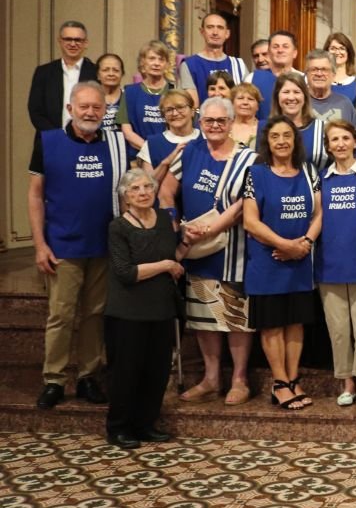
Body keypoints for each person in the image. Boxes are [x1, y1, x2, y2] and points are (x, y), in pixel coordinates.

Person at [29, 81, 123, 409]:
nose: (90, 112)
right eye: (84, 106)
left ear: (105, 111)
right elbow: (35, 195)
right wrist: (39, 245)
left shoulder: (116, 143)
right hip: (62, 247)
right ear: (70, 109)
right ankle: (54, 380)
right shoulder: (47, 140)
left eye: (97, 107)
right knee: (61, 315)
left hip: (103, 245)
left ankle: (88, 377)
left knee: (95, 314)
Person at [158, 96, 257, 407]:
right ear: (200, 123)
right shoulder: (190, 152)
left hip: (234, 248)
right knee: (203, 316)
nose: (215, 126)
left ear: (231, 123)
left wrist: (212, 229)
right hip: (196, 249)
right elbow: (165, 191)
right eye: (209, 121)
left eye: (221, 121)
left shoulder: (249, 158)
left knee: (235, 315)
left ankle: (239, 379)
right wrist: (176, 225)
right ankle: (211, 379)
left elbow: (245, 203)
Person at [242, 116, 322, 411]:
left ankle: (293, 378)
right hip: (268, 261)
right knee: (273, 324)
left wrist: (305, 244)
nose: (281, 141)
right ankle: (279, 383)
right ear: (267, 140)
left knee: (295, 322)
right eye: (275, 136)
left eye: (287, 135)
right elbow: (250, 222)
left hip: (300, 261)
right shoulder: (256, 173)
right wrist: (285, 245)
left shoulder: (309, 171)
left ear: (295, 139)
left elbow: (319, 214)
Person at [104, 167, 187, 449]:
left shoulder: (163, 219)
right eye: (135, 189)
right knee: (126, 372)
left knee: (157, 371)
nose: (142, 193)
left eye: (147, 187)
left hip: (161, 307)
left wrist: (188, 242)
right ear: (125, 196)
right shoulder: (118, 227)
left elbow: (173, 257)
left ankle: (145, 424)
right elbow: (126, 272)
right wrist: (165, 265)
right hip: (128, 311)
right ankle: (119, 427)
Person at [315, 120, 356, 407]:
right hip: (329, 264)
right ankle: (346, 381)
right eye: (334, 139)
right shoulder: (321, 178)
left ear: (355, 142)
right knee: (338, 330)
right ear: (328, 146)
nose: (340, 144)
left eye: (345, 138)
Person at [29, 20, 98, 132]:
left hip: (88, 138)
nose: (73, 44)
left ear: (86, 43)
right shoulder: (43, 72)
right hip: (51, 137)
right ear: (60, 41)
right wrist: (57, 136)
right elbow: (35, 110)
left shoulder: (96, 72)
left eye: (78, 40)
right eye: (68, 39)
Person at [179, 12, 248, 107]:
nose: (215, 32)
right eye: (210, 27)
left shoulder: (239, 65)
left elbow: (247, 100)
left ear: (227, 33)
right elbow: (193, 107)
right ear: (202, 32)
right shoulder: (189, 65)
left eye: (220, 28)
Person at [118, 40, 174, 154]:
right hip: (138, 156)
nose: (156, 63)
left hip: (170, 155)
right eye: (152, 58)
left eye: (161, 59)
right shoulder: (130, 92)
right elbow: (127, 131)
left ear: (167, 64)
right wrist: (150, 151)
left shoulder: (175, 92)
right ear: (143, 62)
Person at [137, 91, 199, 184]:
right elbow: (148, 185)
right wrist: (166, 162)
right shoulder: (152, 144)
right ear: (163, 115)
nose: (175, 113)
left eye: (180, 107)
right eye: (169, 110)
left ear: (192, 111)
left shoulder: (205, 139)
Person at [271, 72, 328, 171]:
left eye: (296, 92)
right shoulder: (266, 128)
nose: (291, 97)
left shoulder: (323, 129)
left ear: (305, 96)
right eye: (286, 92)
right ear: (277, 96)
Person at [248, 30, 299, 120]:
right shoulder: (252, 78)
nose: (280, 50)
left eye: (285, 46)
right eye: (275, 47)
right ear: (269, 52)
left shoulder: (304, 79)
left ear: (294, 53)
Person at [305, 49, 356, 128]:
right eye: (314, 69)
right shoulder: (299, 102)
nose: (319, 74)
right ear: (306, 74)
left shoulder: (344, 104)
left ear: (333, 75)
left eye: (324, 70)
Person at [324, 32, 356, 110]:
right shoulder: (318, 80)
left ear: (348, 53)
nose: (337, 52)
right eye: (333, 48)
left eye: (342, 48)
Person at [96, 53, 125, 137]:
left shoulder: (129, 98)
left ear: (122, 74)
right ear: (98, 75)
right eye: (106, 70)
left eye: (116, 70)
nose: (111, 74)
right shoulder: (90, 99)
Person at [229, 82, 262, 149]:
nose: (245, 102)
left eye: (250, 99)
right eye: (240, 98)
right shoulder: (224, 128)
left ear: (257, 106)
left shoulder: (264, 129)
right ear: (232, 103)